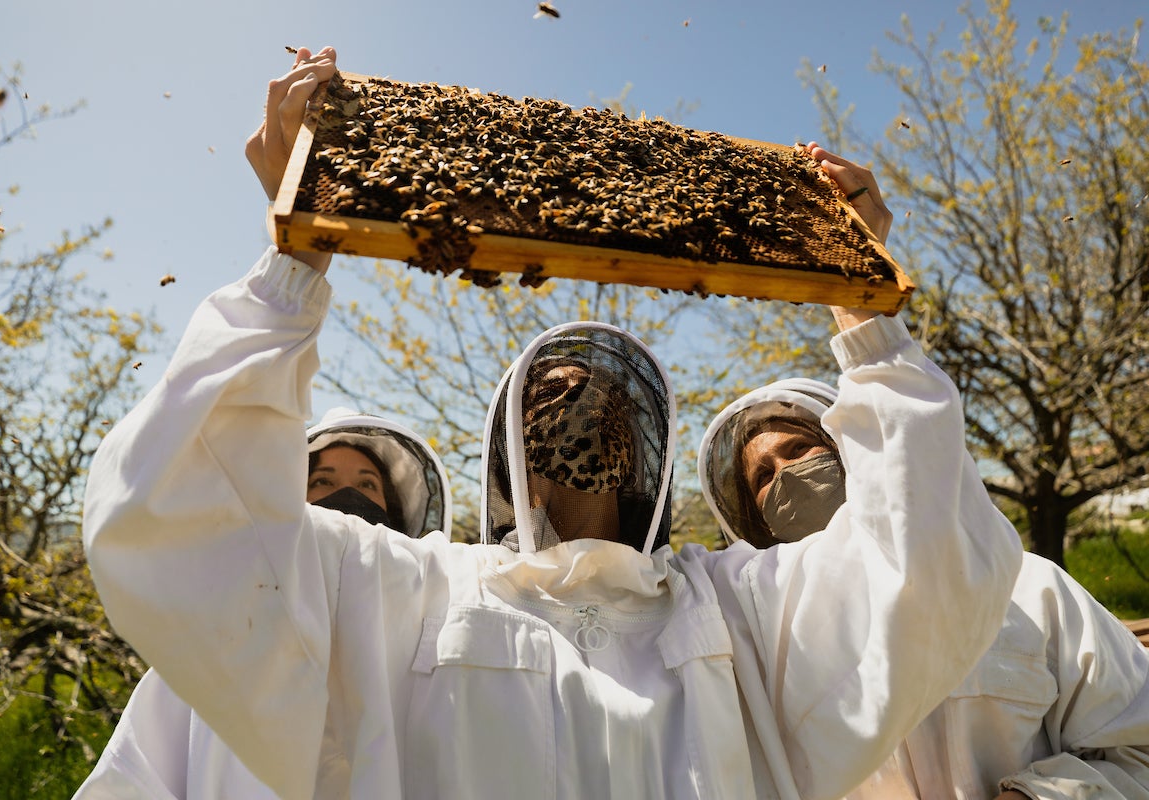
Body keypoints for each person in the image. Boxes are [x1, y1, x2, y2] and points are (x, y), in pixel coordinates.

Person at [81, 46, 1025, 799]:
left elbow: (934, 571)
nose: (577, 404)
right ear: (506, 456)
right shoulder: (392, 591)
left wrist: (867, 314)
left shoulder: (745, 607)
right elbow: (176, 520)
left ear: (645, 445)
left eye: (600, 394)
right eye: (548, 392)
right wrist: (295, 263)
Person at [699, 378, 1149, 799]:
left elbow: (1136, 750)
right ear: (756, 520)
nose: (785, 474)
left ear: (848, 453)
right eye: (763, 476)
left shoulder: (1029, 586)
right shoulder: (766, 653)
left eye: (799, 449)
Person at [73, 409, 452, 799]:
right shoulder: (215, 644)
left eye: (367, 484)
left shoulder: (441, 652)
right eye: (323, 480)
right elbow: (131, 782)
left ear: (394, 510)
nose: (348, 497)